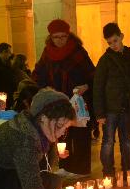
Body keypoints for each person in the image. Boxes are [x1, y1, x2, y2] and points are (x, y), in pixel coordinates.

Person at [32, 19, 95, 176]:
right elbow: (39, 74)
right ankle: (65, 166)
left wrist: (86, 86)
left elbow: (93, 75)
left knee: (80, 134)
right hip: (58, 102)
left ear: (69, 36)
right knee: (62, 134)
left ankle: (81, 168)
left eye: (63, 36)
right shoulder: (47, 53)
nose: (60, 40)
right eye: (56, 37)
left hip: (78, 101)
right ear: (50, 38)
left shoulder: (78, 52)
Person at [93, 23, 130, 177]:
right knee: (108, 141)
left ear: (121, 37)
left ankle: (128, 170)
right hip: (110, 109)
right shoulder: (105, 61)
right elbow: (98, 87)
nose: (113, 45)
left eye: (115, 41)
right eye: (109, 43)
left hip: (127, 107)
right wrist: (100, 113)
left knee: (126, 141)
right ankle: (108, 172)